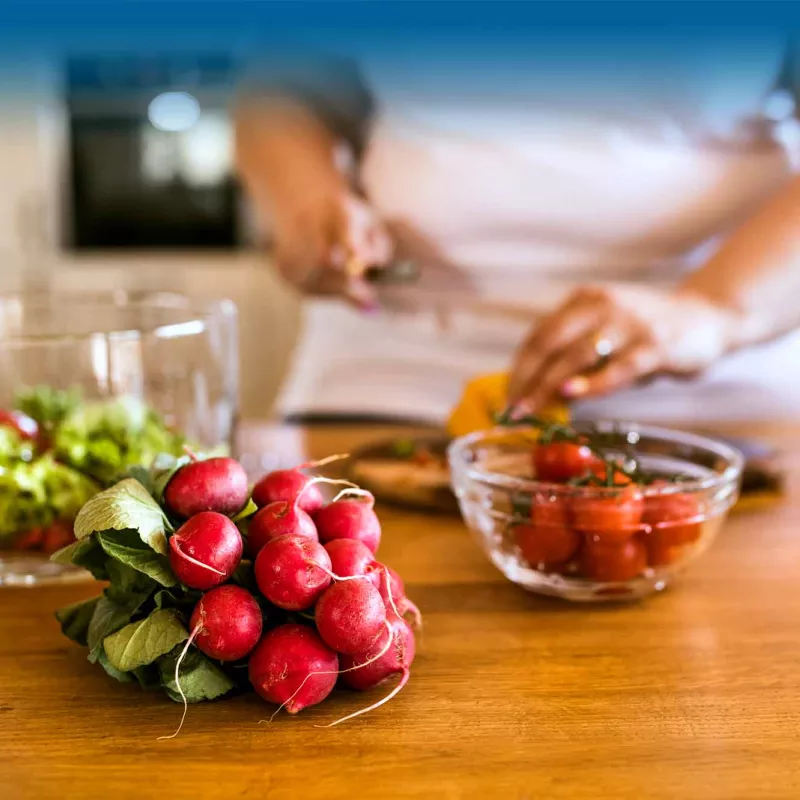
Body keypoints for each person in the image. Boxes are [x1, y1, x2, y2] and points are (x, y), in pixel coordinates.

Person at [235, 35, 800, 427]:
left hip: (719, 411)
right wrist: (305, 203)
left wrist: (712, 310)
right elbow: (281, 88)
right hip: (387, 382)